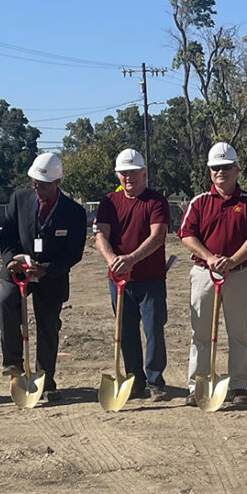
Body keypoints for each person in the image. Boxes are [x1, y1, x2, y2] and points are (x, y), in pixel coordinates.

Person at [178, 142, 247, 406]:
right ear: (210, 172)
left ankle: (238, 385)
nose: (221, 172)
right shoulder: (199, 202)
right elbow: (186, 235)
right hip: (204, 273)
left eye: (226, 167)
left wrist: (232, 260)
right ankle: (197, 385)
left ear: (236, 169)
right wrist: (211, 258)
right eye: (216, 168)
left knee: (237, 332)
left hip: (238, 274)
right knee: (201, 332)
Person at [0, 152, 88, 403]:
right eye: (34, 183)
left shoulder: (74, 212)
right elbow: (7, 238)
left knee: (48, 326)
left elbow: (73, 253)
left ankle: (45, 380)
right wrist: (12, 260)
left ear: (57, 183)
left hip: (51, 275)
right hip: (19, 270)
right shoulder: (19, 199)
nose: (37, 188)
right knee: (5, 302)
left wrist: (47, 268)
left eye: (43, 185)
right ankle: (13, 361)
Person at [94, 148, 173, 401]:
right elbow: (100, 236)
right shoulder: (108, 202)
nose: (129, 178)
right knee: (125, 331)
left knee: (154, 330)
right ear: (118, 175)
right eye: (124, 173)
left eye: (134, 173)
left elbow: (157, 236)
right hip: (119, 281)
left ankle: (155, 380)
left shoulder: (156, 201)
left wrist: (131, 259)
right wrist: (113, 260)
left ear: (144, 173)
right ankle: (134, 379)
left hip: (150, 279)